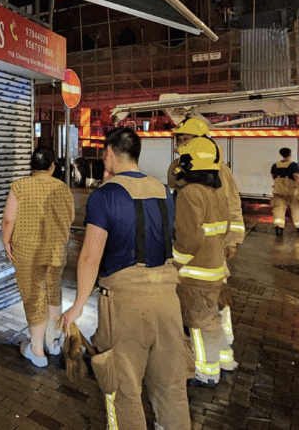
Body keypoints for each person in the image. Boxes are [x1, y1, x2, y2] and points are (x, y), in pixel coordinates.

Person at [60, 128, 191, 429]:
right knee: (171, 388)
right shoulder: (164, 190)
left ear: (108, 154)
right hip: (169, 301)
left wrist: (78, 305)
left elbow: (91, 257)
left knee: (124, 388)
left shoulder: (104, 196)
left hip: (125, 305)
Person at [167, 116, 244, 363]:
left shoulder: (219, 171)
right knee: (204, 302)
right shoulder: (178, 166)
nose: (181, 143)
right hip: (197, 249)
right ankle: (219, 350)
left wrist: (232, 240)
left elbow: (233, 205)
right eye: (179, 138)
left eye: (185, 138)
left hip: (208, 249)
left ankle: (218, 351)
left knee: (212, 300)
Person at [1, 147, 75, 368]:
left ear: (32, 166)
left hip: (28, 252)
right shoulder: (63, 189)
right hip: (56, 251)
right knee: (53, 292)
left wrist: (6, 241)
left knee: (34, 296)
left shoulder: (19, 186)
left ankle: (37, 350)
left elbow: (8, 220)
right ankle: (52, 343)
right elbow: (70, 218)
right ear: (52, 166)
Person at [172, 136, 234, 388]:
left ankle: (205, 371)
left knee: (197, 324)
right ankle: (222, 359)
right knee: (211, 319)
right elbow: (225, 227)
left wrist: (175, 264)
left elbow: (189, 238)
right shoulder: (217, 192)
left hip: (195, 274)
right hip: (215, 269)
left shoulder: (189, 194)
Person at [270, 147, 299, 236]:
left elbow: (273, 176)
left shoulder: (275, 165)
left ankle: (279, 228)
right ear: (290, 154)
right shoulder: (293, 165)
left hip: (278, 190)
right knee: (295, 208)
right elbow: (297, 177)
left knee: (279, 208)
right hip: (291, 191)